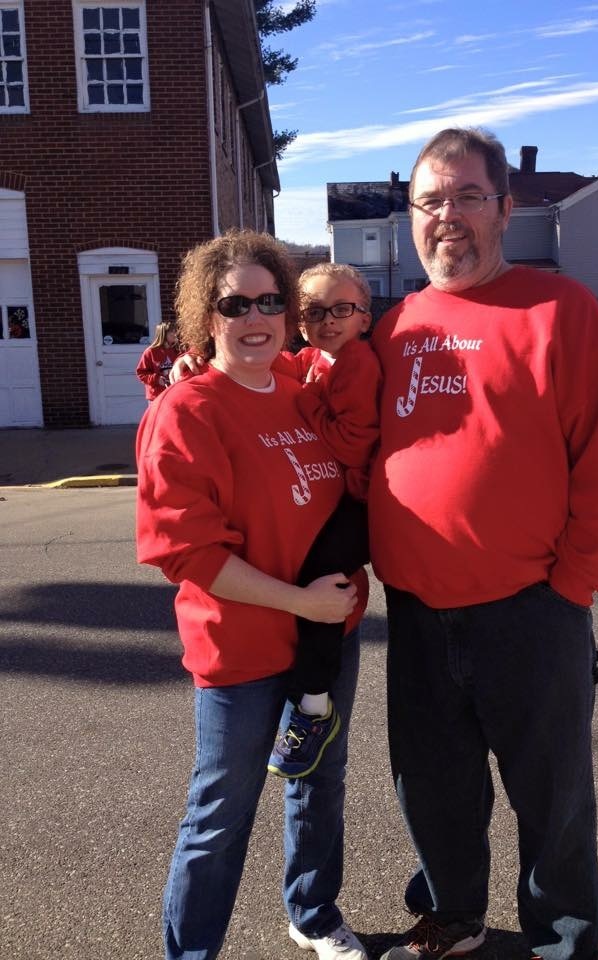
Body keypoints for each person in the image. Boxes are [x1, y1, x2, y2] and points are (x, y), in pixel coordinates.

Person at [369, 128, 598, 960]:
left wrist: (574, 584)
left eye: (466, 197)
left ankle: (562, 936)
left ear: (503, 208)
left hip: (531, 608)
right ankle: (454, 917)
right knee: (433, 787)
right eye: (430, 200)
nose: (446, 216)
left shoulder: (556, 311)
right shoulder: (399, 326)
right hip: (418, 611)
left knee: (551, 794)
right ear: (409, 217)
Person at [136, 228, 370, 960]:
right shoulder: (188, 411)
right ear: (209, 317)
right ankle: (192, 951)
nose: (256, 316)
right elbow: (188, 553)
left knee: (320, 783)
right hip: (241, 649)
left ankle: (313, 912)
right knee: (221, 814)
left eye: (271, 300)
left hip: (327, 635)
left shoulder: (302, 393)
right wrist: (302, 604)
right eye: (237, 304)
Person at [267, 262, 382, 778]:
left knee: (321, 584)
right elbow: (284, 366)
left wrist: (307, 401)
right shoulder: (319, 358)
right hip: (340, 501)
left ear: (364, 316)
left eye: (342, 309)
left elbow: (352, 444)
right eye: (314, 311)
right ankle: (306, 689)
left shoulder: (357, 361)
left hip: (361, 505)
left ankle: (314, 705)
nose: (328, 320)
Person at [135, 321, 180, 400]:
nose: (175, 334)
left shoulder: (176, 351)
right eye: (171, 332)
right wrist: (157, 379)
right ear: (163, 334)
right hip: (156, 396)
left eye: (175, 331)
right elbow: (141, 373)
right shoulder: (150, 352)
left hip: (172, 394)